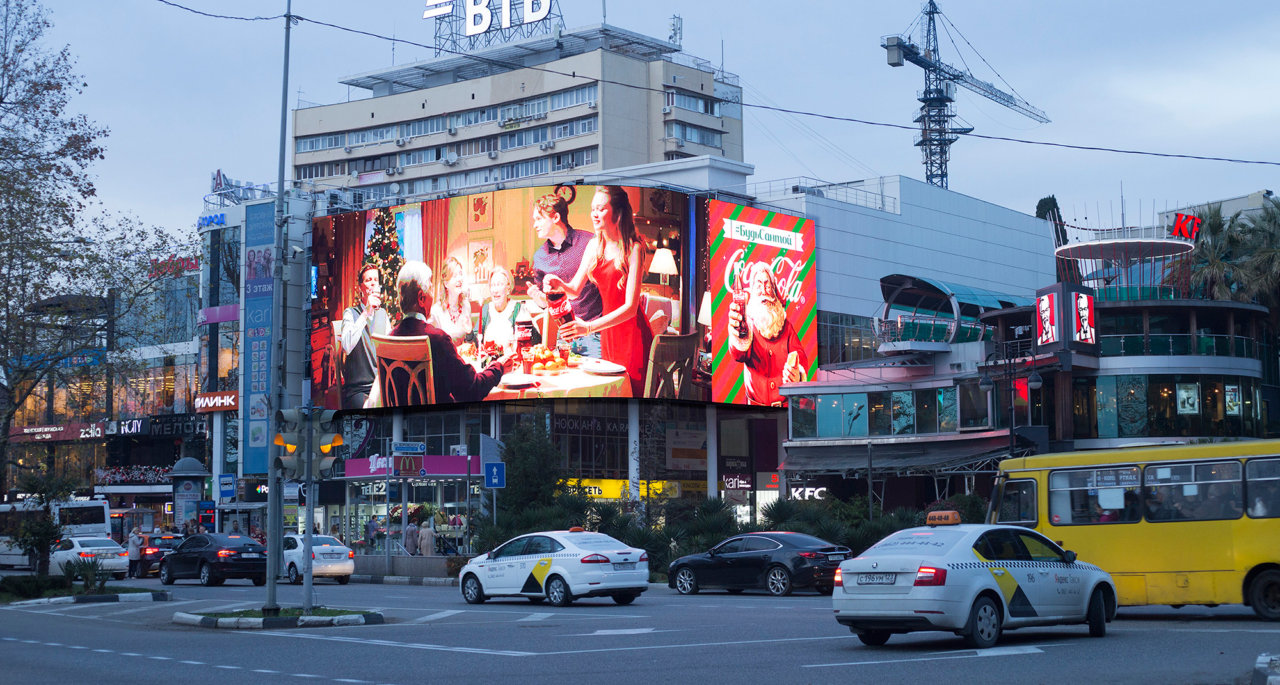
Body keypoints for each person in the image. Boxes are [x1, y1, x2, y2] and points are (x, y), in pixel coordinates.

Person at [545, 186, 651, 395]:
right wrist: (560, 284)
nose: (594, 213)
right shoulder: (594, 246)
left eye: (601, 208)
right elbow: (574, 290)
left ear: (618, 213)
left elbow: (630, 309)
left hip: (633, 336)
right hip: (608, 334)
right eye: (593, 208)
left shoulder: (634, 248)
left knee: (631, 394)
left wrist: (589, 327)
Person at [390, 260, 514, 403]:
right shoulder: (438, 339)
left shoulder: (390, 338)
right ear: (421, 298)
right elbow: (471, 390)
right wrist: (499, 367)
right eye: (430, 289)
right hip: (442, 423)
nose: (433, 295)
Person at [528, 184, 603, 357]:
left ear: (555, 217)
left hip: (594, 334)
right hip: (564, 338)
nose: (535, 225)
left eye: (539, 219)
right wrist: (538, 298)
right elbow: (547, 303)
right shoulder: (539, 258)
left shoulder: (588, 242)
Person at [726, 261, 808, 407]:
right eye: (758, 286)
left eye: (767, 285)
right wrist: (737, 334)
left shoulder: (786, 326)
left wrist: (798, 373)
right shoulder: (748, 324)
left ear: (774, 289)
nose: (764, 291)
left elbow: (799, 354)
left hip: (785, 410)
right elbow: (739, 355)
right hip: (753, 412)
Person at [342, 263, 390, 409]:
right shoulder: (351, 313)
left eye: (376, 279)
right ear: (360, 288)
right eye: (368, 280)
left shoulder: (383, 315)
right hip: (359, 389)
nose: (373, 283)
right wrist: (366, 313)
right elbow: (346, 346)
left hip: (380, 386)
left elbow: (390, 349)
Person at [428, 256, 474, 345]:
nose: (459, 279)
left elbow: (471, 343)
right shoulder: (436, 312)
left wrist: (469, 332)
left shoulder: (466, 306)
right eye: (455, 276)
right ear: (446, 283)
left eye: (460, 274)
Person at [479, 265, 521, 351]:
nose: (495, 290)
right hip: (489, 362)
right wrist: (469, 333)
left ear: (508, 289)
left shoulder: (517, 308)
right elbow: (476, 340)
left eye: (499, 285)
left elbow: (532, 339)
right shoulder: (486, 309)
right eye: (493, 285)